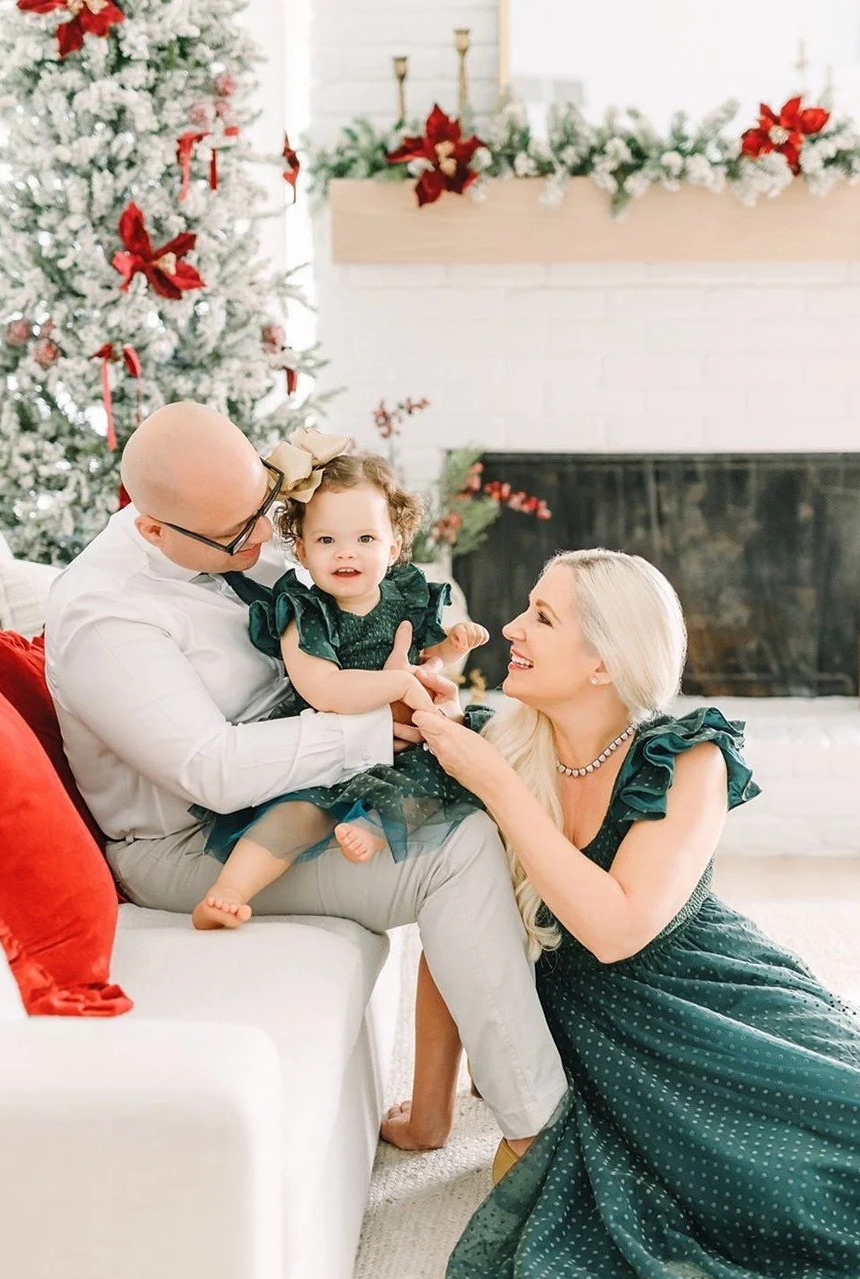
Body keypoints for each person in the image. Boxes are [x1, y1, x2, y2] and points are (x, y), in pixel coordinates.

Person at [388, 548, 860, 1279]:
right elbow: (452, 932)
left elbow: (616, 930)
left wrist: (495, 787)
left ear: (603, 663)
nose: (511, 627)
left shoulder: (685, 758)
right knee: (738, 1190)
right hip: (600, 1038)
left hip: (717, 1002)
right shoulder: (496, 744)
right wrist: (430, 1115)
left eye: (542, 617)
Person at [43, 401, 567, 1159]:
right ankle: (535, 1127)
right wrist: (379, 726)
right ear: (151, 528)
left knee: (506, 782)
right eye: (240, 535)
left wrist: (418, 678)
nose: (264, 539)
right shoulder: (105, 618)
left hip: (303, 770)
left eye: (263, 509)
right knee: (460, 850)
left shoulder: (222, 528)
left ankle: (497, 1073)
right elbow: (214, 771)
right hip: (190, 842)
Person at [190, 434, 490, 931]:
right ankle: (228, 893)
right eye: (327, 541)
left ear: (394, 546)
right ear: (302, 550)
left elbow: (427, 663)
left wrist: (452, 649)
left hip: (397, 746)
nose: (346, 553)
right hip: (324, 745)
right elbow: (324, 690)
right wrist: (397, 687)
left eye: (365, 539)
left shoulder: (405, 596)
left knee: (441, 775)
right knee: (295, 815)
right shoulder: (304, 612)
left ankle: (374, 826)